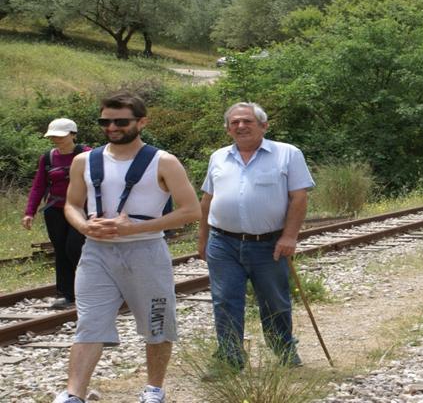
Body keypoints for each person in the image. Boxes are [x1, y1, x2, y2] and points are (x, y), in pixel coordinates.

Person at [54, 92, 200, 403]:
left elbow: (190, 211)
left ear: (141, 122)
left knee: (157, 322)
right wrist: (83, 226)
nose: (112, 127)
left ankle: (153, 389)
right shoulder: (84, 161)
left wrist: (135, 228)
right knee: (89, 322)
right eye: (105, 121)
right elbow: (71, 205)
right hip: (96, 253)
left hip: (145, 251)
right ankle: (73, 394)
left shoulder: (164, 161)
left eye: (121, 121)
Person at [198, 102, 316, 372]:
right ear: (228, 129)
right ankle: (230, 357)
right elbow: (207, 200)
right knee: (225, 300)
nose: (241, 126)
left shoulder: (287, 154)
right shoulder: (218, 157)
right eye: (235, 122)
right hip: (222, 242)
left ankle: (284, 350)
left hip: (269, 244)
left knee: (275, 300)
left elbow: (298, 198)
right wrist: (202, 239)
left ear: (264, 125)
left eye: (247, 121)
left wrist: (290, 237)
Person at [22, 119, 90, 309]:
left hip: (81, 209)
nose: (56, 139)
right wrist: (30, 212)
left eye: (61, 135)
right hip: (55, 210)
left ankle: (90, 288)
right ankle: (67, 294)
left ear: (73, 135)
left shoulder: (87, 154)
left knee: (75, 248)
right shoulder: (48, 157)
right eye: (53, 136)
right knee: (60, 251)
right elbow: (38, 186)